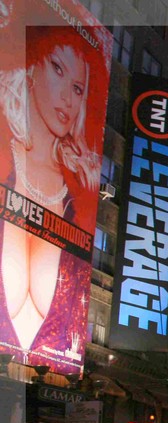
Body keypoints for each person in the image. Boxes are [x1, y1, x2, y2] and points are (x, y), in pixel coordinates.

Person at [0, 25, 107, 369]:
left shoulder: (81, 201)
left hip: (46, 384)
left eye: (78, 88)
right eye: (57, 69)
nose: (67, 97)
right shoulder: (3, 160)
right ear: (31, 68)